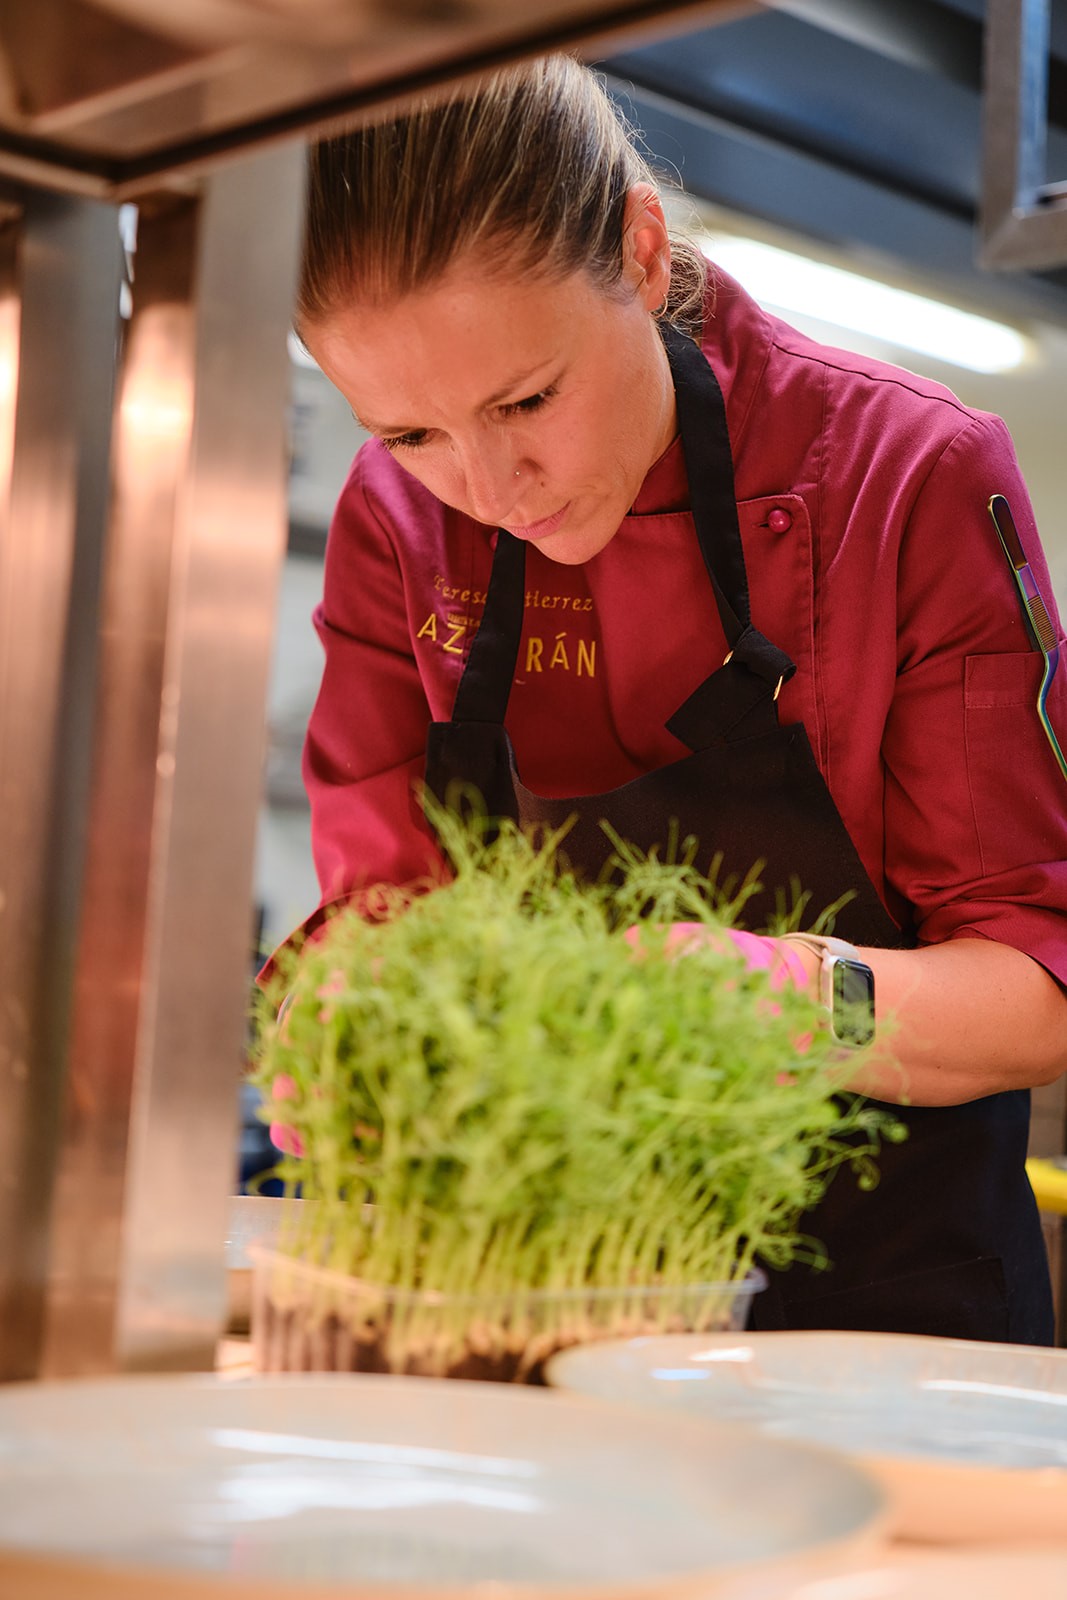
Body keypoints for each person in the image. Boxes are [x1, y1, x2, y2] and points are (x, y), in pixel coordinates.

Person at [284, 54, 1067, 1343]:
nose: (493, 487)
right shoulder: (397, 523)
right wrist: (356, 1034)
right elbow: (380, 917)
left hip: (884, 1317)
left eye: (528, 398)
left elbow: (1035, 983)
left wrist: (758, 998)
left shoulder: (904, 475)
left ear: (642, 255)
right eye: (408, 434)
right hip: (538, 1300)